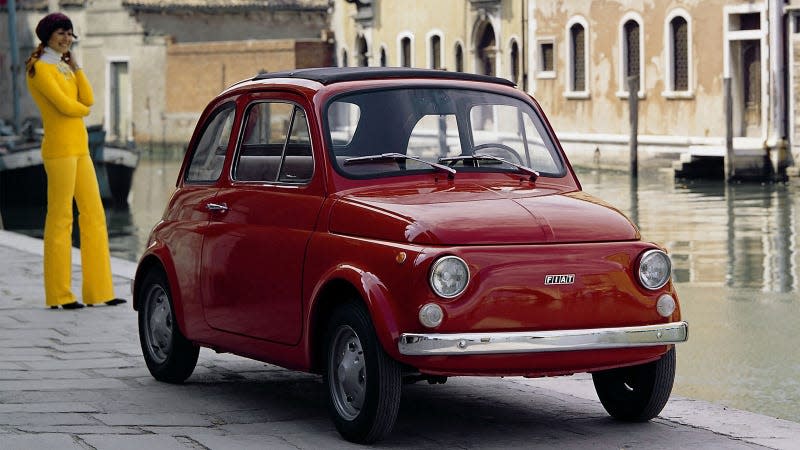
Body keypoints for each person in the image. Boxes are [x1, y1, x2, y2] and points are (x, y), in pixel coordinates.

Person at [25, 12, 126, 310]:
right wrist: (81, 109)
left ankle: (100, 291)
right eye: (61, 33)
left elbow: (88, 98)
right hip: (59, 150)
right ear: (47, 35)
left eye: (69, 33)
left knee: (94, 215)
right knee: (60, 219)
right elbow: (67, 106)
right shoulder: (39, 69)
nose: (67, 38)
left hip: (80, 148)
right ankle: (59, 294)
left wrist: (76, 65)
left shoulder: (65, 67)